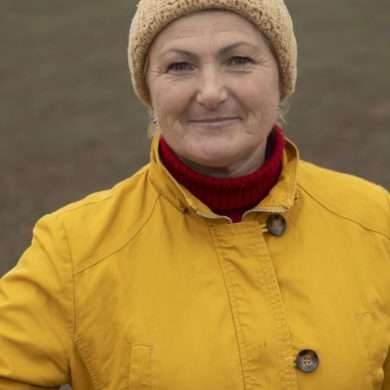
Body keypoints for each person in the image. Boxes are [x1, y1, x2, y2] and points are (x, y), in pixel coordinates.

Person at [1, 0, 389, 388]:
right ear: (149, 91)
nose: (211, 92)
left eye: (238, 60)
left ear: (282, 77)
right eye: (179, 66)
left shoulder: (374, 223)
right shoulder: (74, 250)